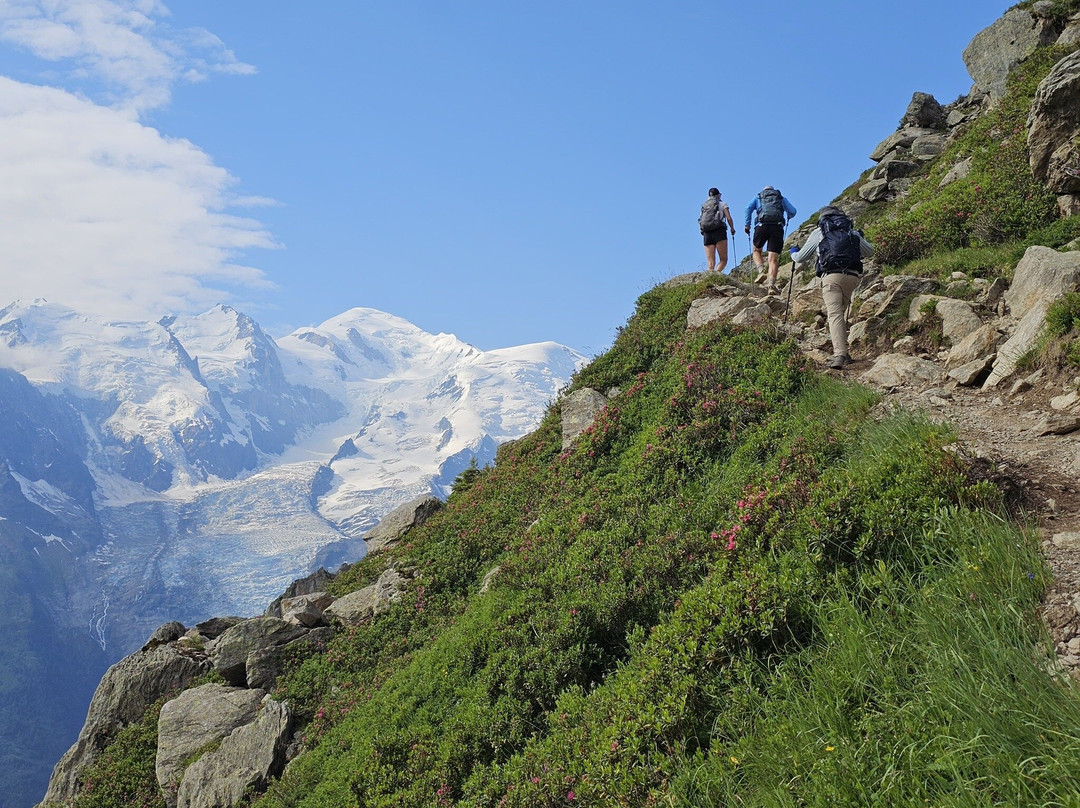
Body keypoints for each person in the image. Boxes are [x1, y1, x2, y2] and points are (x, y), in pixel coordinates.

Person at [790, 205, 875, 369]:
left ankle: (839, 355)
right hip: (852, 277)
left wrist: (792, 252)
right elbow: (870, 252)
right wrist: (859, 239)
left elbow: (800, 258)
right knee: (839, 314)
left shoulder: (819, 232)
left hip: (831, 276)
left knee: (835, 315)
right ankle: (844, 352)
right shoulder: (852, 232)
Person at [743, 186, 797, 295]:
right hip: (777, 227)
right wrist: (788, 216)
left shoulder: (758, 198)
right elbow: (793, 211)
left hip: (761, 226)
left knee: (757, 251)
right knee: (773, 259)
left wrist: (747, 225)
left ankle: (761, 270)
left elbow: (748, 208)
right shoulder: (781, 198)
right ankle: (771, 286)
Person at [698, 188, 736, 273]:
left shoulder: (704, 206)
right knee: (723, 260)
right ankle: (717, 274)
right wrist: (732, 229)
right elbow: (729, 218)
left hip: (707, 233)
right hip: (719, 231)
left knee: (710, 263)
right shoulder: (722, 204)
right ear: (718, 195)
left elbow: (700, 220)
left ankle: (710, 277)